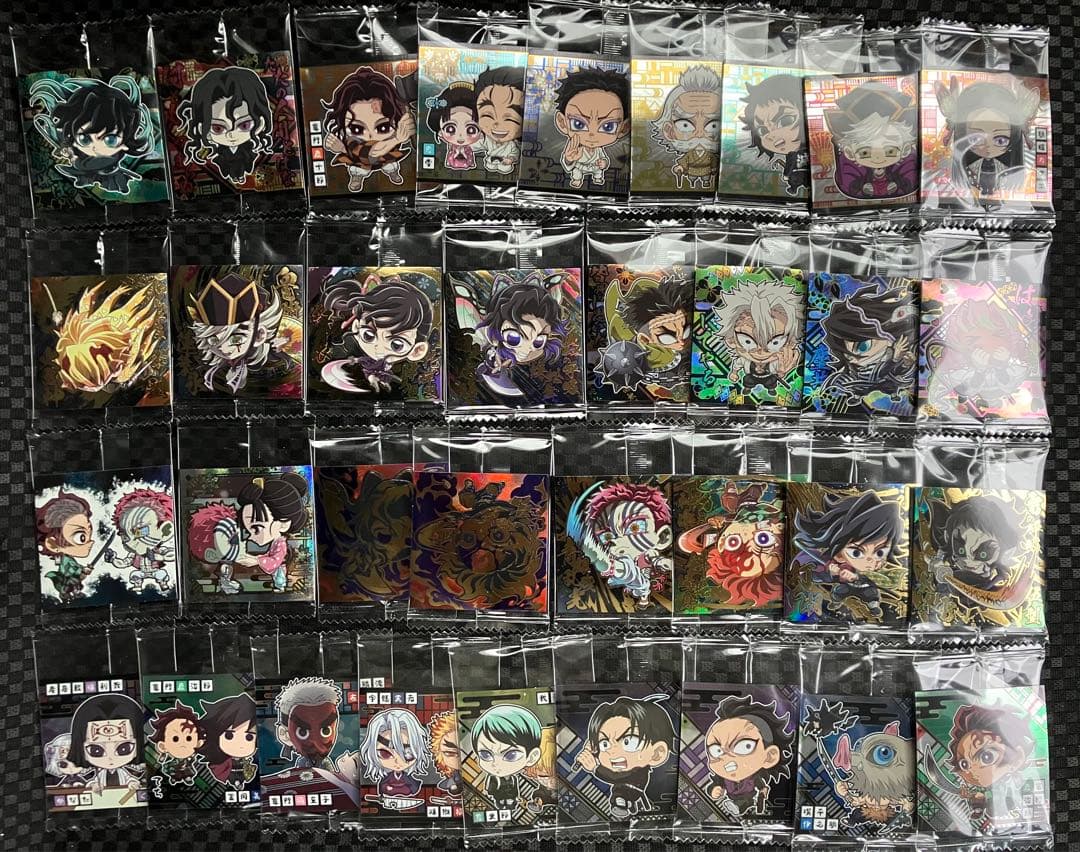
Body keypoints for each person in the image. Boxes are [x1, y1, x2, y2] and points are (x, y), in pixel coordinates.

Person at [574, 695, 674, 819]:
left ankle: (622, 805)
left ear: (657, 753)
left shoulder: (637, 772)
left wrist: (595, 768)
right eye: (604, 744)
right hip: (625, 795)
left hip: (630, 792)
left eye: (628, 742)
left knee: (620, 796)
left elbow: (615, 776)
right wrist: (595, 750)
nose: (612, 751)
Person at [321, 67, 416, 190]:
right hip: (361, 164)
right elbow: (370, 153)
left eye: (383, 127)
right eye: (357, 129)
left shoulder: (397, 127)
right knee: (358, 170)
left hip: (387, 159)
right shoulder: (352, 142)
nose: (370, 137)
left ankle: (393, 173)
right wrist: (397, 139)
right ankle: (357, 178)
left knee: (390, 166)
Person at [177, 66, 274, 184]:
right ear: (202, 128)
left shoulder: (253, 151)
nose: (231, 135)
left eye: (244, 125)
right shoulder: (215, 154)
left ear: (260, 123)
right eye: (218, 128)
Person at [554, 67, 630, 189]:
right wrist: (569, 159)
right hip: (580, 166)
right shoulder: (576, 148)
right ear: (562, 123)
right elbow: (568, 165)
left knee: (598, 172)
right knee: (576, 172)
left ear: (624, 128)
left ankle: (598, 178)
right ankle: (577, 180)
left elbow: (603, 159)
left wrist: (603, 163)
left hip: (594, 166)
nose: (592, 134)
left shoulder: (598, 150)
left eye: (608, 126)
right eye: (578, 124)